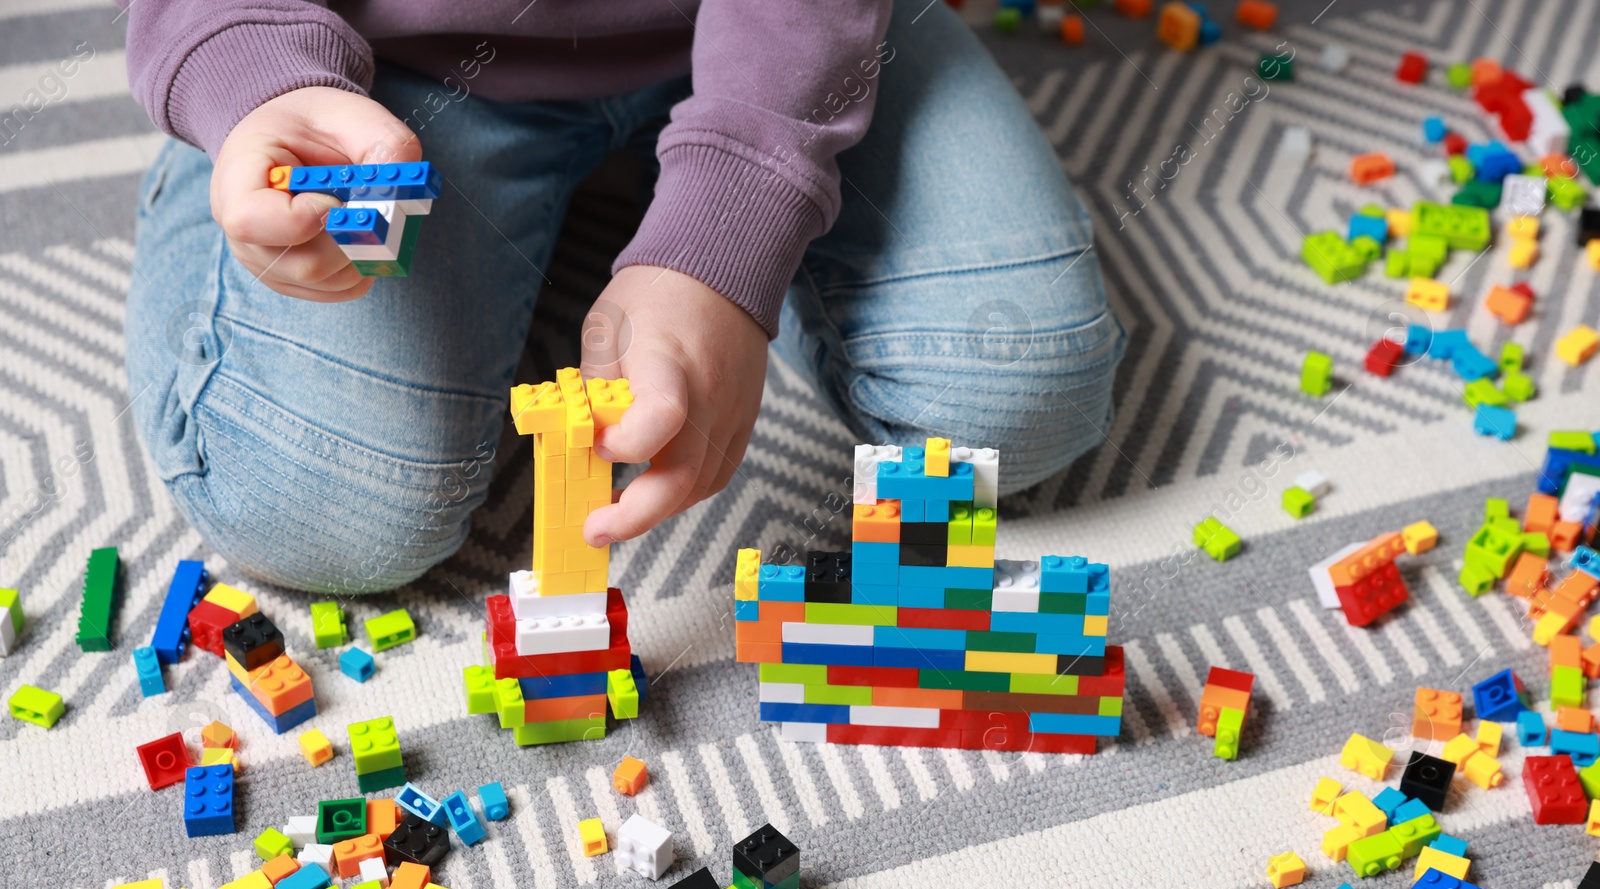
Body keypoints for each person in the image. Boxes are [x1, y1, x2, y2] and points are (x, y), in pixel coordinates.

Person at [121, 0, 1125, 594]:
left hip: (789, 32)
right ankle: (248, 128)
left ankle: (706, 169)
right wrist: (246, 67)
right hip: (393, 61)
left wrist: (732, 226)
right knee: (324, 508)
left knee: (1015, 403)